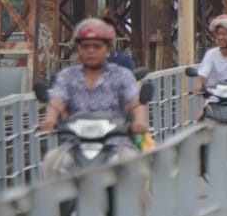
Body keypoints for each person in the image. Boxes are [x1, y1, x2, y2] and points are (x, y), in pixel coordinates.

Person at [40, 16, 148, 170]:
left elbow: (134, 102)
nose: (91, 51)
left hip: (114, 143)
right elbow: (57, 100)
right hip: (75, 144)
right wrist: (50, 119)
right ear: (79, 49)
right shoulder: (67, 76)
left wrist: (139, 121)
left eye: (97, 46)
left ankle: (139, 196)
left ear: (107, 48)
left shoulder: (122, 75)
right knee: (51, 161)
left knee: (138, 168)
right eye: (85, 46)